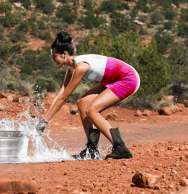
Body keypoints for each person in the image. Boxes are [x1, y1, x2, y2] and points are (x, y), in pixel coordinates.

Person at [36, 32, 140, 160]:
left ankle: (120, 147)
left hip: (128, 79)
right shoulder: (72, 68)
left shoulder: (81, 66)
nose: (53, 60)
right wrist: (43, 120)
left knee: (91, 110)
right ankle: (92, 150)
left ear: (64, 54)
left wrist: (44, 122)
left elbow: (64, 98)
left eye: (54, 56)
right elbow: (60, 95)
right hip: (112, 80)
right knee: (82, 103)